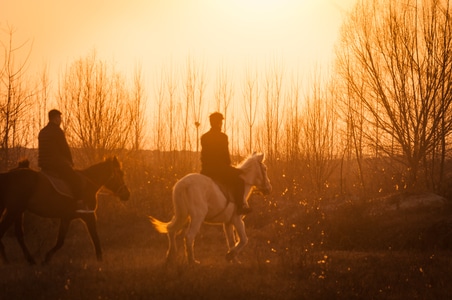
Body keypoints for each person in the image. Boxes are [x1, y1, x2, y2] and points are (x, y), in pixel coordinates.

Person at [38, 109, 92, 213]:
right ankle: (78, 203)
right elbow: (65, 148)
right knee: (75, 179)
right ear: (55, 118)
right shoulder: (57, 131)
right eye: (59, 118)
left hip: (44, 165)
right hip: (57, 164)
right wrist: (70, 162)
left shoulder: (42, 132)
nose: (60, 120)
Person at [200, 112, 252, 215]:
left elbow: (203, 156)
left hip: (206, 170)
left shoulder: (204, 137)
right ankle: (240, 207)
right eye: (221, 122)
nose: (221, 124)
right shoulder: (223, 137)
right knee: (240, 181)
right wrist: (230, 167)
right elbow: (225, 156)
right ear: (218, 123)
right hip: (220, 169)